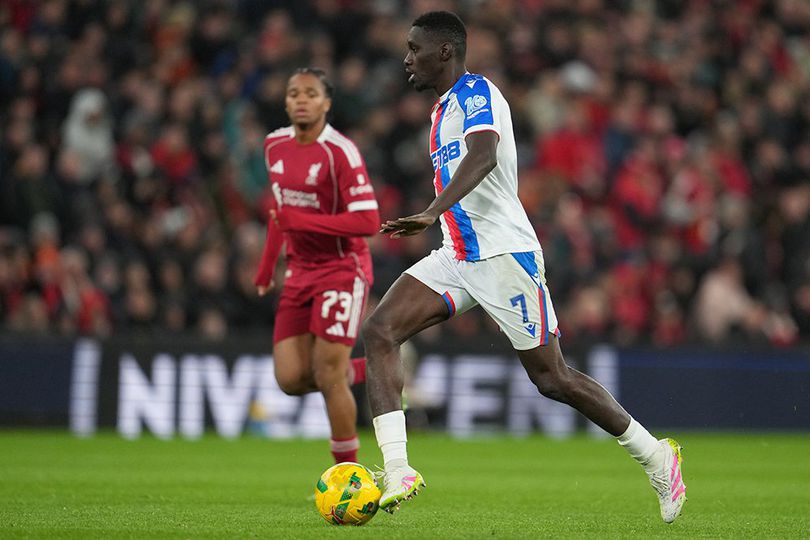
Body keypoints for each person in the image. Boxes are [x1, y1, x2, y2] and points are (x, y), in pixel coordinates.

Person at [362, 12, 687, 523]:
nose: (406, 58)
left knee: (552, 378)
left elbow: (485, 155)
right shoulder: (440, 111)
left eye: (414, 47)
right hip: (458, 254)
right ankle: (399, 469)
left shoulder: (477, 95)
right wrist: (440, 221)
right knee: (380, 331)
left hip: (503, 254)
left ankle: (656, 456)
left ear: (445, 51)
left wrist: (431, 211)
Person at [254, 67, 379, 465]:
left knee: (327, 375)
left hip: (342, 269)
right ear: (285, 101)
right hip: (299, 272)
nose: (301, 100)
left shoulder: (339, 151)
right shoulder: (274, 145)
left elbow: (368, 221)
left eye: (310, 93)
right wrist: (266, 265)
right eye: (293, 93)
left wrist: (302, 222)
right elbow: (280, 211)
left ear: (326, 102)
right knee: (290, 379)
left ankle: (348, 476)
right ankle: (372, 372)